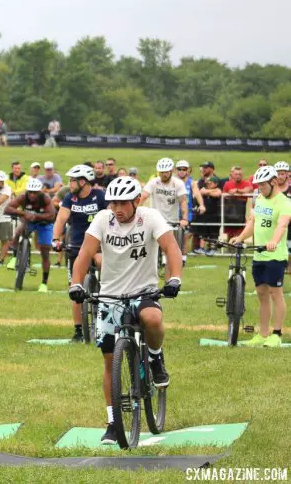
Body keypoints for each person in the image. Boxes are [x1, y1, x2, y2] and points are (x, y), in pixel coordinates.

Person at [69, 176, 182, 445]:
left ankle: (154, 357)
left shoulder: (150, 218)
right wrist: (75, 283)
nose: (117, 208)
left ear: (136, 201)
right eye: (113, 203)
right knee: (110, 360)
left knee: (152, 317)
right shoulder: (102, 220)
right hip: (110, 295)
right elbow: (85, 253)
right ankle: (112, 421)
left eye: (122, 202)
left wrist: (174, 277)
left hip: (143, 291)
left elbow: (171, 247)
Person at [229, 166, 290, 347]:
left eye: (262, 185)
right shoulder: (261, 199)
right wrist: (240, 238)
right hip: (259, 255)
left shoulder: (284, 202)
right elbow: (253, 223)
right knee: (262, 294)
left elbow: (282, 225)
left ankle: (276, 334)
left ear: (273, 182)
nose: (259, 188)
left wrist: (274, 241)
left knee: (275, 293)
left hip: (275, 256)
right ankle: (262, 334)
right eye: (258, 185)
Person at [51, 165, 108, 342]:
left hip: (99, 246)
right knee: (75, 288)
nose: (69, 183)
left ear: (83, 181)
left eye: (72, 180)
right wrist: (55, 239)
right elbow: (61, 219)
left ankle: (107, 295)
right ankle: (78, 331)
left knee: (101, 263)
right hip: (76, 247)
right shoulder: (70, 198)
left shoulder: (100, 196)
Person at [4, 178, 56, 292]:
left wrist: (36, 216)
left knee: (45, 253)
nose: (32, 195)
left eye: (35, 192)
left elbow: (52, 215)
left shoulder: (45, 198)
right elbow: (7, 208)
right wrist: (23, 213)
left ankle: (44, 283)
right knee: (19, 230)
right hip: (29, 221)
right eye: (30, 192)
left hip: (44, 224)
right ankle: (14, 257)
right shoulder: (23, 197)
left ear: (39, 192)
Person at [140, 158, 189, 275]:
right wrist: (135, 209)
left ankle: (169, 281)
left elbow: (183, 201)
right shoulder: (154, 182)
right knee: (148, 251)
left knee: (170, 253)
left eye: (165, 172)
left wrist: (184, 218)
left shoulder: (178, 184)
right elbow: (143, 196)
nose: (163, 174)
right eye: (161, 172)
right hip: (155, 220)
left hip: (172, 222)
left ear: (171, 171)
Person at [174, 160, 207, 257]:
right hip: (173, 212)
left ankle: (183, 257)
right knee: (173, 235)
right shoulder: (172, 181)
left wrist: (201, 204)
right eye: (179, 169)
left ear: (188, 170)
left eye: (184, 169)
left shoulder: (191, 182)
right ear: (176, 170)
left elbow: (197, 193)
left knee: (185, 236)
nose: (182, 171)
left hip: (186, 213)